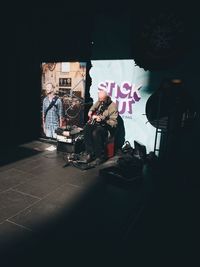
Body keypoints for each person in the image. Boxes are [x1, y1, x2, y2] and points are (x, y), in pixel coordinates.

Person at [83, 90, 118, 165]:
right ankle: (90, 153)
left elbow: (114, 123)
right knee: (87, 129)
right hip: (97, 124)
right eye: (99, 99)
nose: (100, 102)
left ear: (106, 98)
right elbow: (94, 106)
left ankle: (100, 156)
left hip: (107, 127)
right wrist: (90, 111)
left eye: (102, 100)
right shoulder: (100, 101)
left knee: (96, 132)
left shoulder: (113, 106)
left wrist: (103, 120)